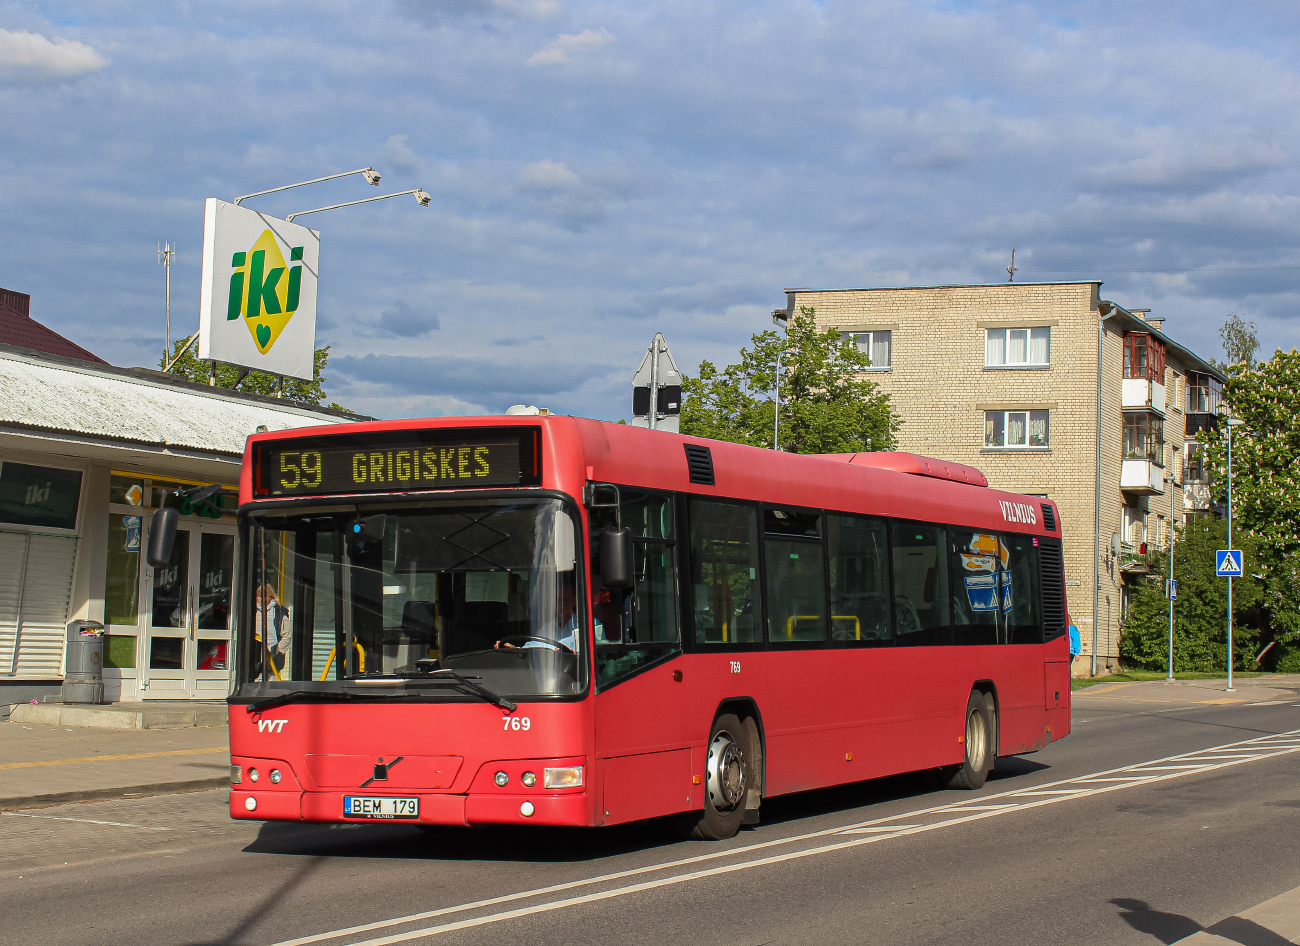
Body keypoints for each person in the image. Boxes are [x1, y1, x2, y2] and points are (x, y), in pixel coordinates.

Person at [496, 582, 579, 653]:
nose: (559, 602)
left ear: (574, 601)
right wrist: (513, 649)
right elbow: (533, 647)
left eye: (564, 599)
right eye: (556, 599)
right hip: (546, 670)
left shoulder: (585, 628)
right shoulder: (548, 627)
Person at [253, 584, 290, 677]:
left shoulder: (279, 612)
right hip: (256, 655)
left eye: (264, 596)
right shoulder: (252, 611)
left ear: (271, 597)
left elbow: (287, 634)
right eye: (259, 596)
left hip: (273, 656)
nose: (261, 599)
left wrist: (279, 649)